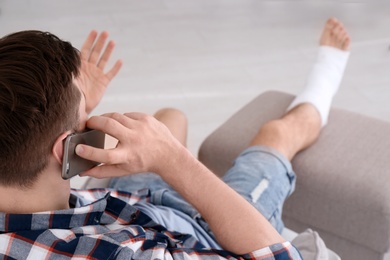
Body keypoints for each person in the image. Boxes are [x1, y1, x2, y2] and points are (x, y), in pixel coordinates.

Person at [0, 17, 349, 259]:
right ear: (65, 150)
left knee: (169, 118)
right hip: (205, 230)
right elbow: (281, 257)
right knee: (275, 134)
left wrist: (75, 109)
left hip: (119, 204)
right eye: (84, 120)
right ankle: (328, 71)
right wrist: (172, 160)